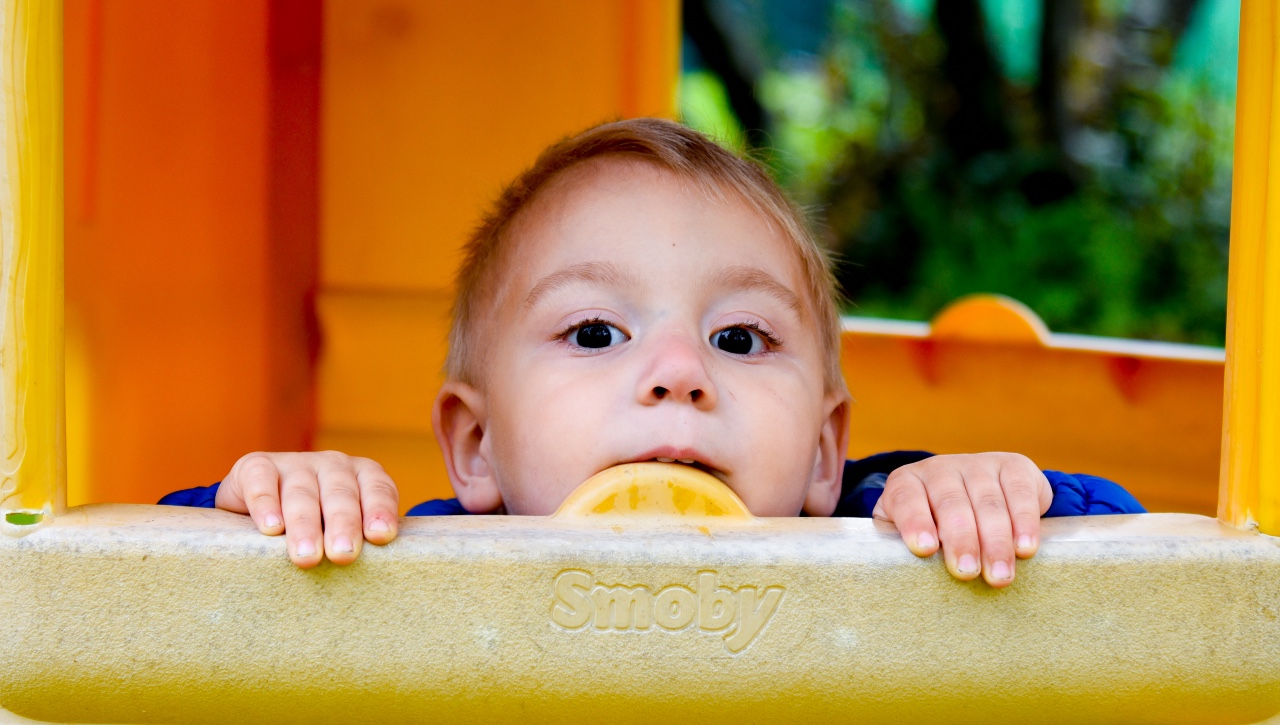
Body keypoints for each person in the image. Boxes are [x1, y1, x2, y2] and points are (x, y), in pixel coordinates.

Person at [162, 119, 1141, 586]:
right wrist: (267, 509)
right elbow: (155, 604)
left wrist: (987, 499)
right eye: (594, 333)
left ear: (820, 452)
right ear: (474, 447)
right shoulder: (405, 559)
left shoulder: (882, 542)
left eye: (738, 339)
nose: (679, 373)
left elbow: (1129, 556)